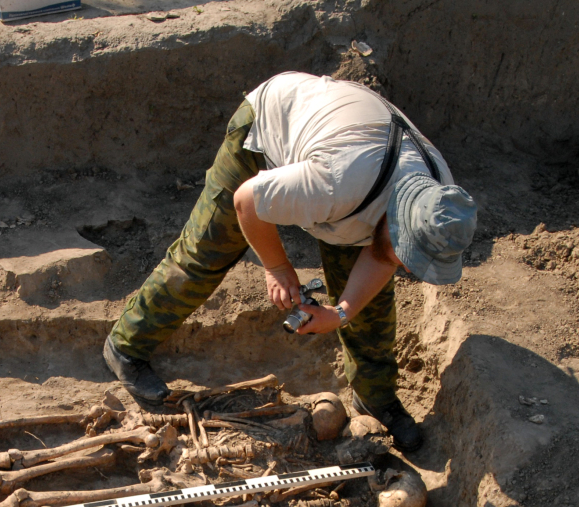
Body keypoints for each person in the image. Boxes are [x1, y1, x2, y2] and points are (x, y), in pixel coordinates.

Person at [102, 71, 477, 451]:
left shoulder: (440, 197)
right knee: (205, 253)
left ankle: (375, 398)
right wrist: (277, 268)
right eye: (406, 254)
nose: (407, 266)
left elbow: (382, 255)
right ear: (394, 221)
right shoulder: (335, 183)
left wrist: (342, 312)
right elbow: (247, 202)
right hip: (267, 130)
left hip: (354, 167)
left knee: (372, 304)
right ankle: (126, 346)